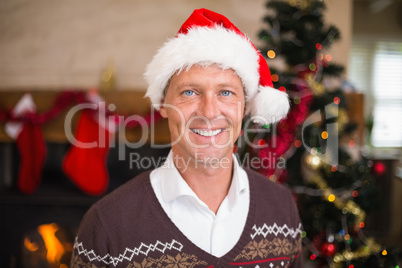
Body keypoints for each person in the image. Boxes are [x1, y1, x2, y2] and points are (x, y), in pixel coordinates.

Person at [70, 8, 303, 268]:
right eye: (190, 92)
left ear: (245, 107)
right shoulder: (107, 225)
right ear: (162, 104)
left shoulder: (282, 208)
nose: (209, 112)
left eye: (226, 93)